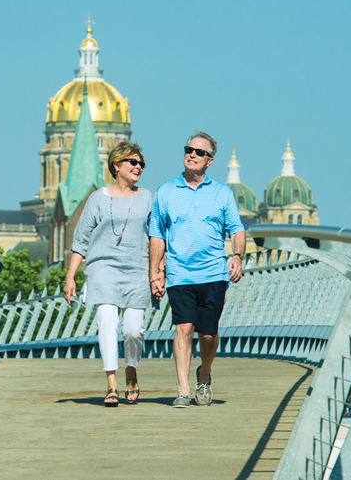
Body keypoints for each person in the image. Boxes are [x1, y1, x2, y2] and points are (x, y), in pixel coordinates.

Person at [148, 132, 245, 408]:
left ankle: (204, 373)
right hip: (179, 274)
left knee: (207, 334)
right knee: (183, 327)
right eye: (189, 149)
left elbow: (237, 230)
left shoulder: (222, 193)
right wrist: (155, 271)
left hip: (214, 273)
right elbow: (157, 236)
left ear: (210, 160)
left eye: (199, 152)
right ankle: (183, 389)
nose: (192, 154)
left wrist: (237, 256)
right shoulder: (165, 192)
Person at [64, 141, 153, 407]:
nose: (138, 167)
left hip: (137, 268)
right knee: (106, 321)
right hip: (102, 268)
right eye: (132, 162)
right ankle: (111, 383)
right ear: (116, 166)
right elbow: (80, 241)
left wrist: (159, 270)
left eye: (141, 163)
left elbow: (159, 237)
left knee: (134, 329)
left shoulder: (148, 197)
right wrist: (70, 277)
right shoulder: (97, 198)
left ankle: (131, 370)